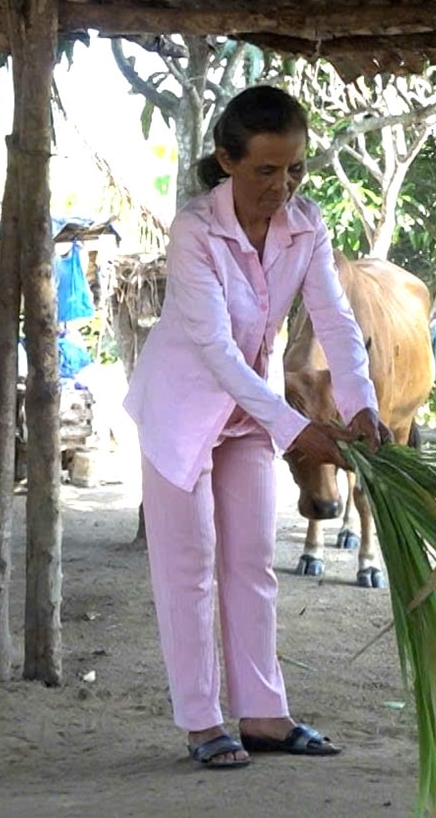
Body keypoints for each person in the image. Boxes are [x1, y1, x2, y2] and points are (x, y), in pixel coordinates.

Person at [124, 85, 390, 768]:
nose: (283, 187)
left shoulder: (307, 224)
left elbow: (333, 320)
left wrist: (361, 406)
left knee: (252, 563)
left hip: (249, 412)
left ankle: (265, 716)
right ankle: (202, 721)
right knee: (190, 569)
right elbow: (213, 348)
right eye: (265, 171)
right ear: (226, 161)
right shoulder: (195, 229)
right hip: (183, 408)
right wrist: (299, 428)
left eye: (295, 169)